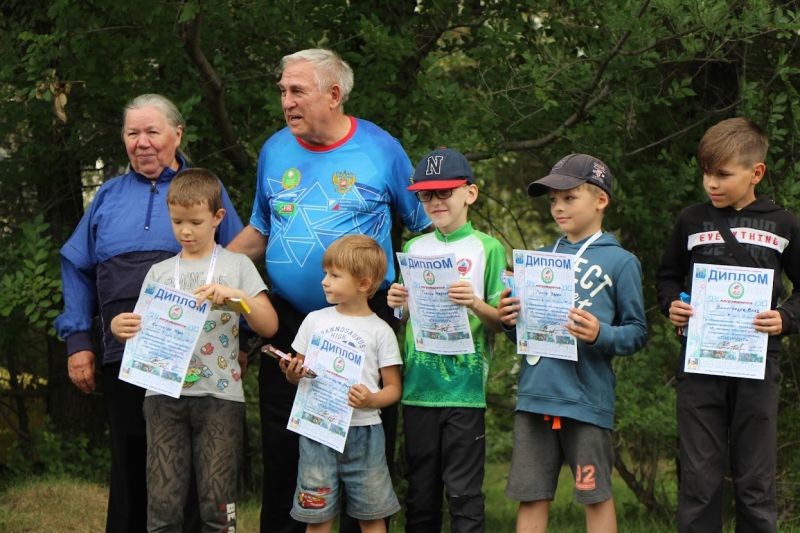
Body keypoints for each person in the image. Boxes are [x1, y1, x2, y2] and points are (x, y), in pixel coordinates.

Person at [226, 48, 430, 532]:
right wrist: (207, 271)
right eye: (283, 91)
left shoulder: (381, 149)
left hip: (365, 320)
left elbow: (424, 228)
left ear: (334, 94)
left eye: (297, 91)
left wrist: (431, 291)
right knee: (284, 444)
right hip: (289, 320)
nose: (286, 102)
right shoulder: (275, 149)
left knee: (364, 443)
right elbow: (259, 230)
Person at [55, 94, 244, 533]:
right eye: (132, 133)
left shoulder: (205, 188)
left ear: (177, 134)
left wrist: (244, 341)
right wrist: (78, 341)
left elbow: (238, 261)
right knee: (131, 460)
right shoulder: (107, 195)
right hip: (126, 354)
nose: (142, 142)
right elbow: (76, 265)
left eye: (152, 132)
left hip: (199, 359)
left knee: (196, 467)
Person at [110, 168, 278, 531]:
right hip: (162, 397)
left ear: (218, 217)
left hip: (220, 396)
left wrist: (236, 297)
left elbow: (269, 325)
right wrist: (119, 328)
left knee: (218, 504)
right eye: (177, 222)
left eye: (195, 222)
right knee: (163, 506)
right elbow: (140, 331)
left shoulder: (237, 266)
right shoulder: (158, 272)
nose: (185, 231)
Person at [656, 117, 800, 532]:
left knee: (755, 483)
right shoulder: (691, 220)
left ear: (756, 172)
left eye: (722, 174)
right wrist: (672, 305)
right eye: (706, 173)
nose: (711, 183)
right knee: (699, 482)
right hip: (699, 366)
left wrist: (786, 317)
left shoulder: (785, 223)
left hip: (758, 368)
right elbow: (667, 277)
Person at [498, 154, 647, 533]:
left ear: (601, 200)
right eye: (553, 200)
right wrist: (510, 320)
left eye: (569, 197)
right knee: (531, 497)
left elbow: (636, 332)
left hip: (586, 399)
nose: (558, 207)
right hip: (536, 394)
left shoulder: (621, 262)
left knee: (594, 496)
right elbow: (524, 334)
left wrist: (600, 334)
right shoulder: (538, 258)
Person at [385, 148, 506, 532]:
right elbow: (405, 317)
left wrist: (475, 303)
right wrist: (397, 304)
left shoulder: (488, 248)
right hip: (418, 389)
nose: (435, 201)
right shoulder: (414, 248)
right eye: (426, 194)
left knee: (464, 496)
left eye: (444, 192)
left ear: (470, 193)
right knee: (420, 496)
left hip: (465, 392)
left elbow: (503, 323)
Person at [281, 234, 402, 533]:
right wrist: (292, 373)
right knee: (316, 514)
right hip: (316, 428)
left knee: (372, 515)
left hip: (364, 433)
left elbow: (393, 389)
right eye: (326, 273)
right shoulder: (314, 320)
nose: (324, 281)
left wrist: (371, 400)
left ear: (363, 284)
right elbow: (298, 372)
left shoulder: (381, 331)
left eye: (335, 275)